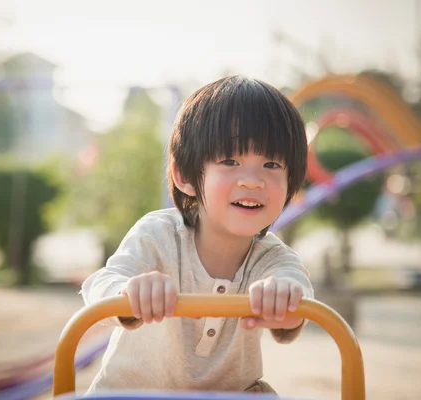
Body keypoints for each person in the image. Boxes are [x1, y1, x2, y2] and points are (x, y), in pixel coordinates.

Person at [80, 75, 313, 394]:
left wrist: (284, 299)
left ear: (292, 182)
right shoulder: (158, 235)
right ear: (185, 175)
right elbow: (100, 284)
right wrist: (127, 292)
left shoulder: (273, 259)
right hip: (132, 393)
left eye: (271, 164)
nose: (253, 181)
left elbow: (298, 298)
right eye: (230, 161)